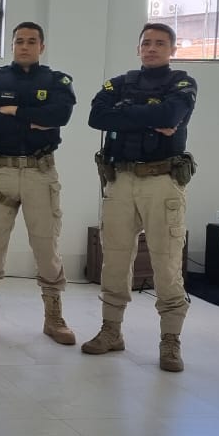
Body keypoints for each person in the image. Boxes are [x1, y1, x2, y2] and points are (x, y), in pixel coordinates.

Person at [84, 22, 197, 372]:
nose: (151, 48)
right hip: (120, 180)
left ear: (172, 50)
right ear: (138, 48)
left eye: (160, 43)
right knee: (115, 260)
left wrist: (125, 114)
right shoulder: (119, 83)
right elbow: (96, 117)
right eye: (146, 43)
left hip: (161, 181)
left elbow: (171, 114)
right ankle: (111, 330)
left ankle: (170, 340)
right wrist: (150, 118)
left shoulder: (182, 83)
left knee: (166, 262)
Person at [0, 22, 77, 345]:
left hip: (40, 171)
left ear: (42, 46)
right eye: (19, 41)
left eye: (31, 41)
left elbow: (60, 116)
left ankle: (54, 316)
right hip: (0, 170)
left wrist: (14, 111)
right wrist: (35, 119)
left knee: (46, 246)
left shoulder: (57, 81)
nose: (25, 46)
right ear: (11, 45)